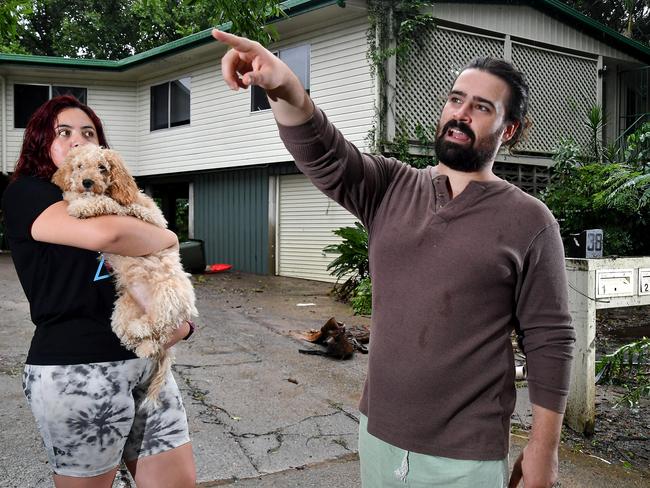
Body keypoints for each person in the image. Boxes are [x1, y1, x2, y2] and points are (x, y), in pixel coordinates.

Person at [212, 30, 575, 488]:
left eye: (481, 107)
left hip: (465, 455)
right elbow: (324, 152)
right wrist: (283, 85)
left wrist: (545, 448)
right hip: (378, 435)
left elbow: (550, 339)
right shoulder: (391, 186)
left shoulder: (529, 220)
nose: (460, 114)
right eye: (456, 100)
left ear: (510, 130)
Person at [2, 95, 196, 488]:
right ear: (42, 141)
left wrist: (183, 327)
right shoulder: (29, 193)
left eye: (88, 132)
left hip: (148, 362)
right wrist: (171, 236)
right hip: (77, 366)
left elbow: (149, 260)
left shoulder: (111, 195)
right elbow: (109, 233)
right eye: (64, 132)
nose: (78, 139)